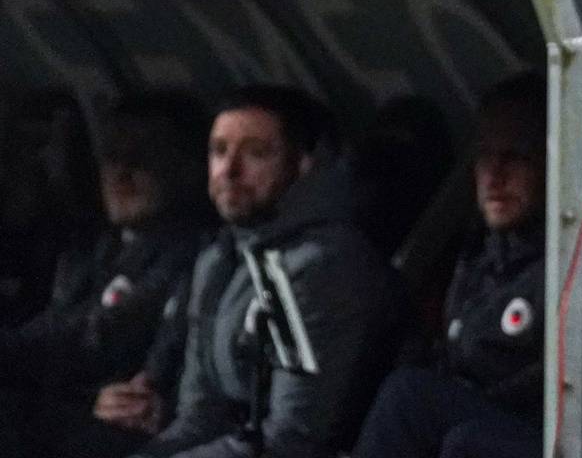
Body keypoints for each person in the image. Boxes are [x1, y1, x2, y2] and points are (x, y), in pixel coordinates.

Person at [128, 85, 395, 458]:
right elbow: (201, 414)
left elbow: (293, 438)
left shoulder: (322, 265)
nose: (229, 170)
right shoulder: (220, 257)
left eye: (256, 153)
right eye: (219, 151)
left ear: (303, 165)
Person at [0, 91, 212, 458]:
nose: (120, 171)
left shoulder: (190, 254)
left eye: (140, 158)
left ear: (188, 167)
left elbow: (95, 337)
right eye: (111, 156)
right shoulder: (100, 245)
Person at [352, 73, 546, 458]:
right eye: (485, 157)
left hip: (538, 427)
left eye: (515, 157)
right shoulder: (478, 255)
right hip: (475, 420)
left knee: (412, 400)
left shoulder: (576, 262)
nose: (495, 176)